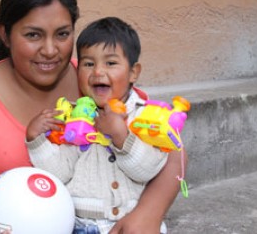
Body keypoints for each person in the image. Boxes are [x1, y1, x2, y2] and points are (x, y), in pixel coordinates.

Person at [0, 0, 186, 234]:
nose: (50, 50)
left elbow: (171, 147)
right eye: (33, 35)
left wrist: (148, 214)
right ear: (4, 34)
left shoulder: (93, 81)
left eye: (62, 34)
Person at [26, 17, 169, 233]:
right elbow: (60, 173)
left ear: (133, 72)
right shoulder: (76, 117)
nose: (98, 72)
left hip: (130, 224)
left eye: (110, 63)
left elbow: (148, 170)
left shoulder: (144, 117)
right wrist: (36, 140)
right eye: (88, 64)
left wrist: (122, 136)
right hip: (80, 224)